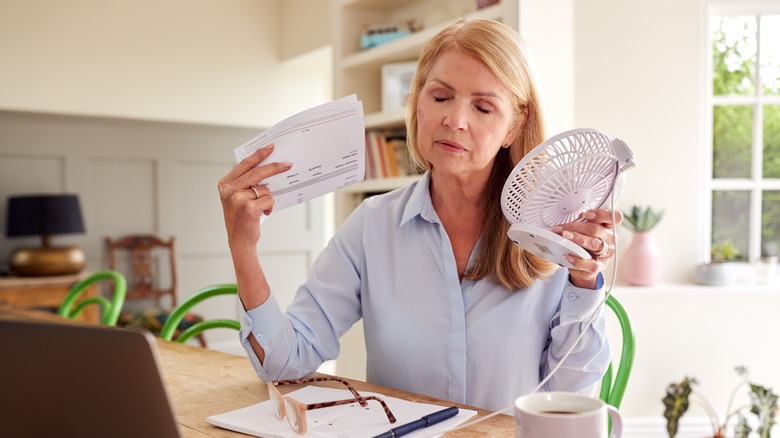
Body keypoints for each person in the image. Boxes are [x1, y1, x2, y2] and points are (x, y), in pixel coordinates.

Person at [217, 17, 620, 412]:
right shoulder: (371, 226)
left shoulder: (549, 235)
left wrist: (584, 282)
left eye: (482, 107)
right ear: (417, 102)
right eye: (440, 97)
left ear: (515, 126)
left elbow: (572, 397)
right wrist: (243, 247)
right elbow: (285, 364)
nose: (454, 120)